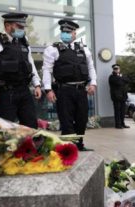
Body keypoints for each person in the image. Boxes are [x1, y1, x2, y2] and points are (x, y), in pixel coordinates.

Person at [42, 19, 97, 151]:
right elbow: (46, 70)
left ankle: (79, 144)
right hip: (64, 90)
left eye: (69, 31)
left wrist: (93, 83)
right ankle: (68, 148)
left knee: (82, 119)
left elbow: (91, 68)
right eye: (63, 31)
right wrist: (48, 89)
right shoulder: (53, 49)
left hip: (81, 90)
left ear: (74, 33)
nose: (65, 34)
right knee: (66, 120)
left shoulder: (83, 49)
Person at [0, 12, 42, 128]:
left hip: (24, 91)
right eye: (19, 26)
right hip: (5, 93)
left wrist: (37, 84)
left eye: (23, 27)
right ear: (7, 26)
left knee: (31, 127)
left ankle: (28, 147)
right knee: (5, 130)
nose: (22, 29)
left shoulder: (24, 42)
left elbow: (30, 64)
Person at [108, 63, 130, 129]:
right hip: (116, 96)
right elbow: (119, 82)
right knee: (117, 111)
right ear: (113, 69)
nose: (117, 69)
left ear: (120, 69)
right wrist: (121, 78)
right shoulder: (111, 77)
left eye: (118, 68)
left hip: (123, 96)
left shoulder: (122, 75)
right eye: (115, 68)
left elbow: (127, 80)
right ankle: (118, 124)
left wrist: (121, 78)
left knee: (123, 111)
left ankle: (123, 123)